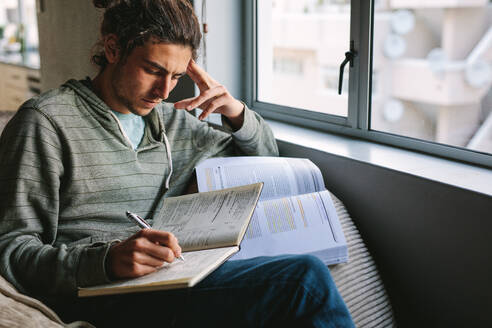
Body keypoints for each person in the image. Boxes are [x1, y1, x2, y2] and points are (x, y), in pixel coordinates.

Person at [0, 0, 354, 327]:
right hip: (99, 295)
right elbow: (12, 250)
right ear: (112, 49)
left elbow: (264, 157)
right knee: (303, 281)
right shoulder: (45, 122)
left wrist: (236, 111)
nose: (164, 91)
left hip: (168, 280)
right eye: (153, 70)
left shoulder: (171, 122)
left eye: (176, 76)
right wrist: (106, 261)